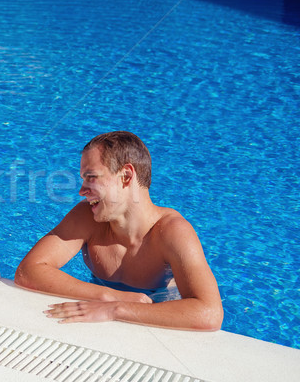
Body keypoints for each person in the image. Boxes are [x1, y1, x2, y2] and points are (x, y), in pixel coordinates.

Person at [15, 131, 223, 330]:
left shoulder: (171, 232)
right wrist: (108, 296)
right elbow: (27, 272)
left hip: (158, 326)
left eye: (91, 177)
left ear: (126, 176)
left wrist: (116, 309)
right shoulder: (87, 218)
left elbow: (209, 312)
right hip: (96, 314)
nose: (81, 191)